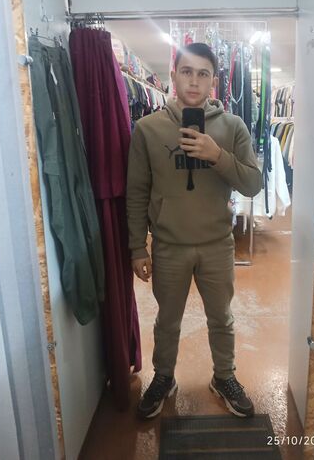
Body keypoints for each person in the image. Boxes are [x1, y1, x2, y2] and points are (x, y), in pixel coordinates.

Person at [126, 42, 262, 419]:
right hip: (168, 246)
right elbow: (137, 192)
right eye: (187, 71)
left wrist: (217, 155)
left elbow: (253, 184)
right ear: (173, 76)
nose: (194, 81)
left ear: (213, 81)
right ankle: (164, 377)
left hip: (217, 244)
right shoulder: (148, 129)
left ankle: (225, 376)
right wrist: (137, 247)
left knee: (222, 318)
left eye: (203, 74)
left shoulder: (232, 127)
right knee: (167, 321)